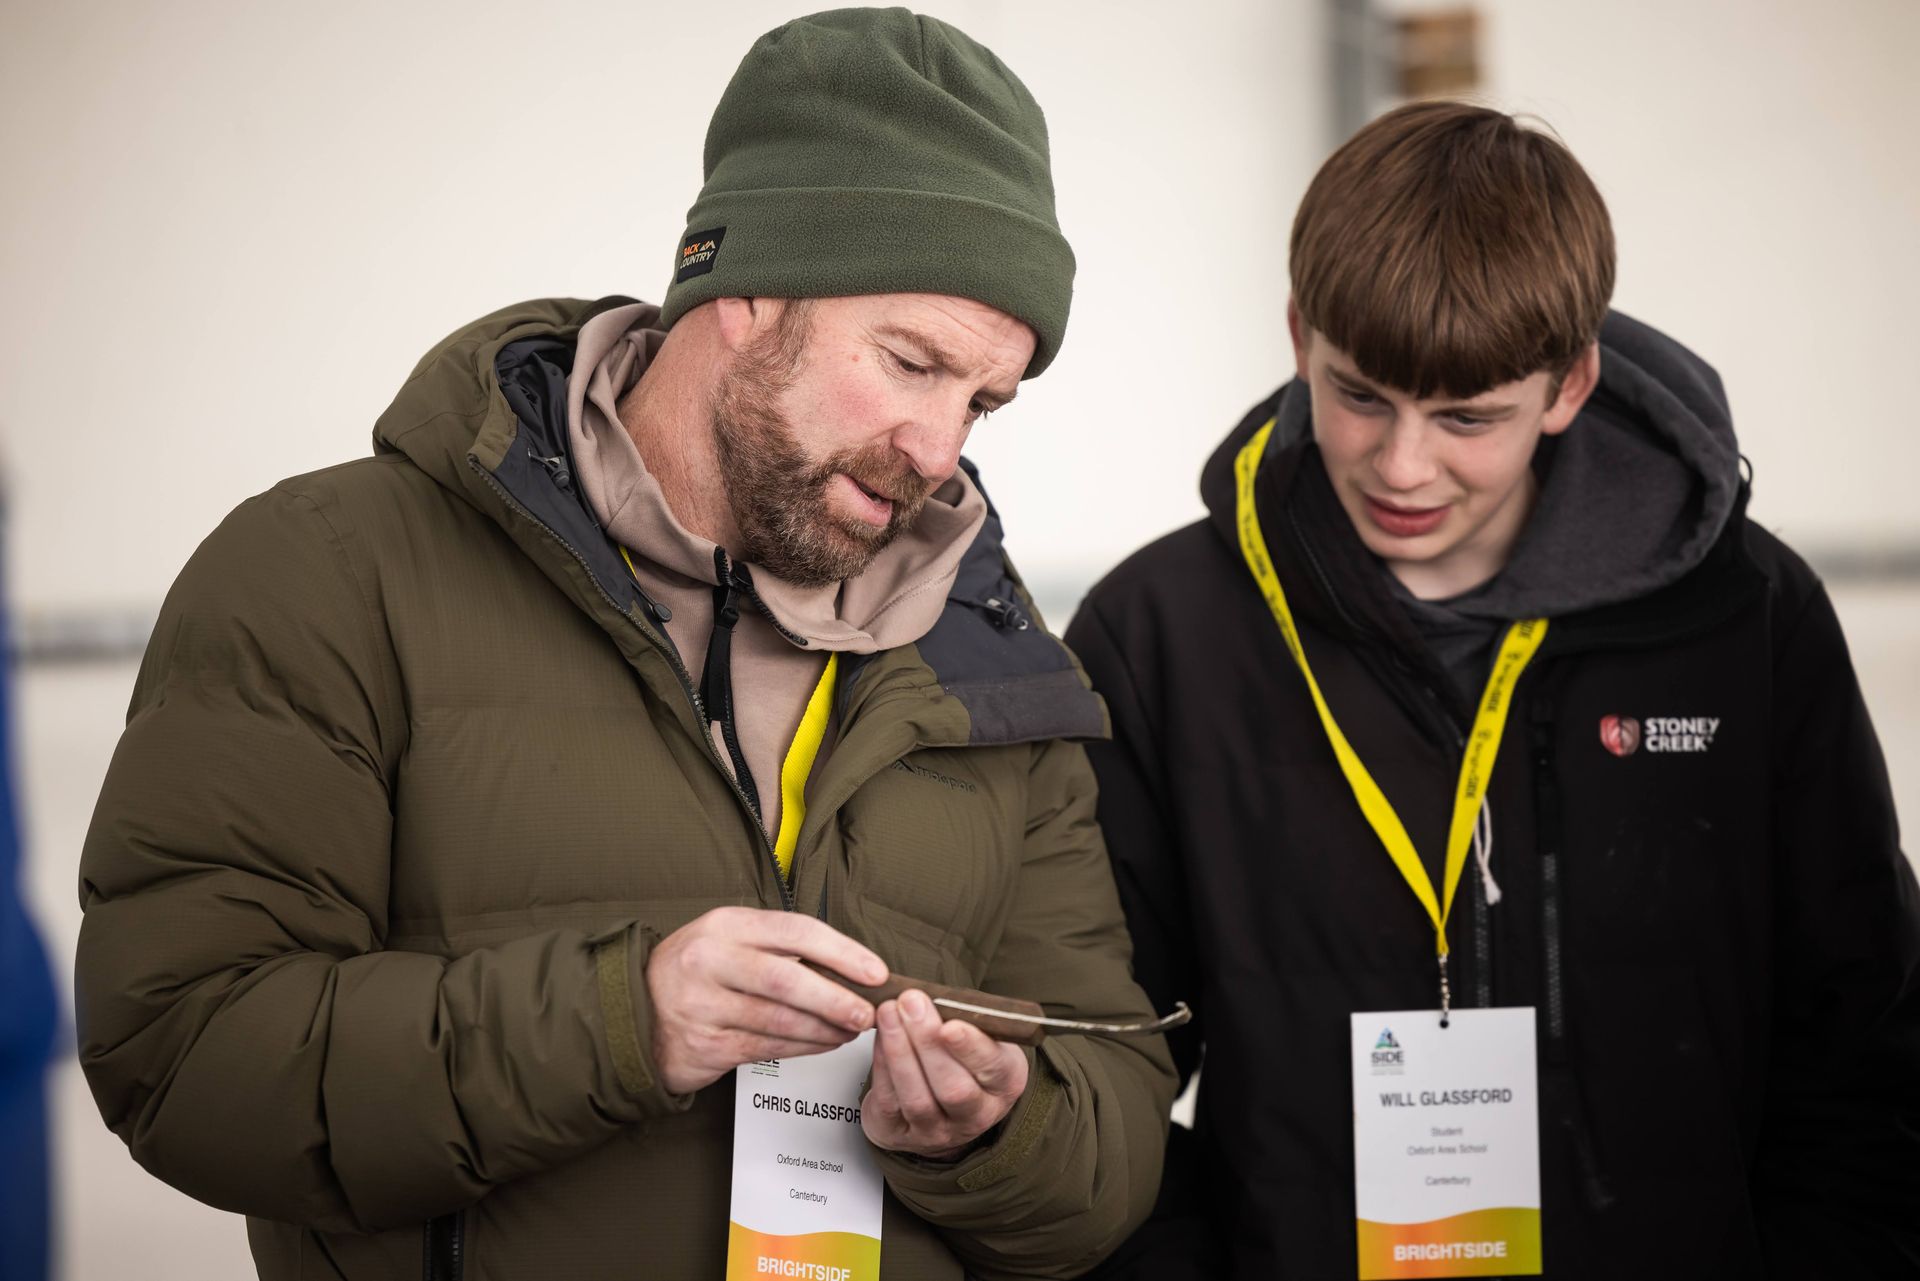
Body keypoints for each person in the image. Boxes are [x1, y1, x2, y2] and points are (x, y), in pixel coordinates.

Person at [74, 10, 1174, 1279]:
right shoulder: (332, 571)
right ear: (749, 287)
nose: (942, 451)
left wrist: (994, 1128)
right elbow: (182, 1053)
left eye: (981, 401)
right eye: (911, 361)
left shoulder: (990, 654)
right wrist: (618, 1023)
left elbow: (1116, 1136)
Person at [1068, 100, 1920, 1279]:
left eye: (1468, 418)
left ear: (1570, 386)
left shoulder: (1747, 620)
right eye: (1359, 393)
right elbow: (1098, 1059)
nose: (1403, 466)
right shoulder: (1163, 630)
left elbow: (1867, 1044)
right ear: (1298, 333)